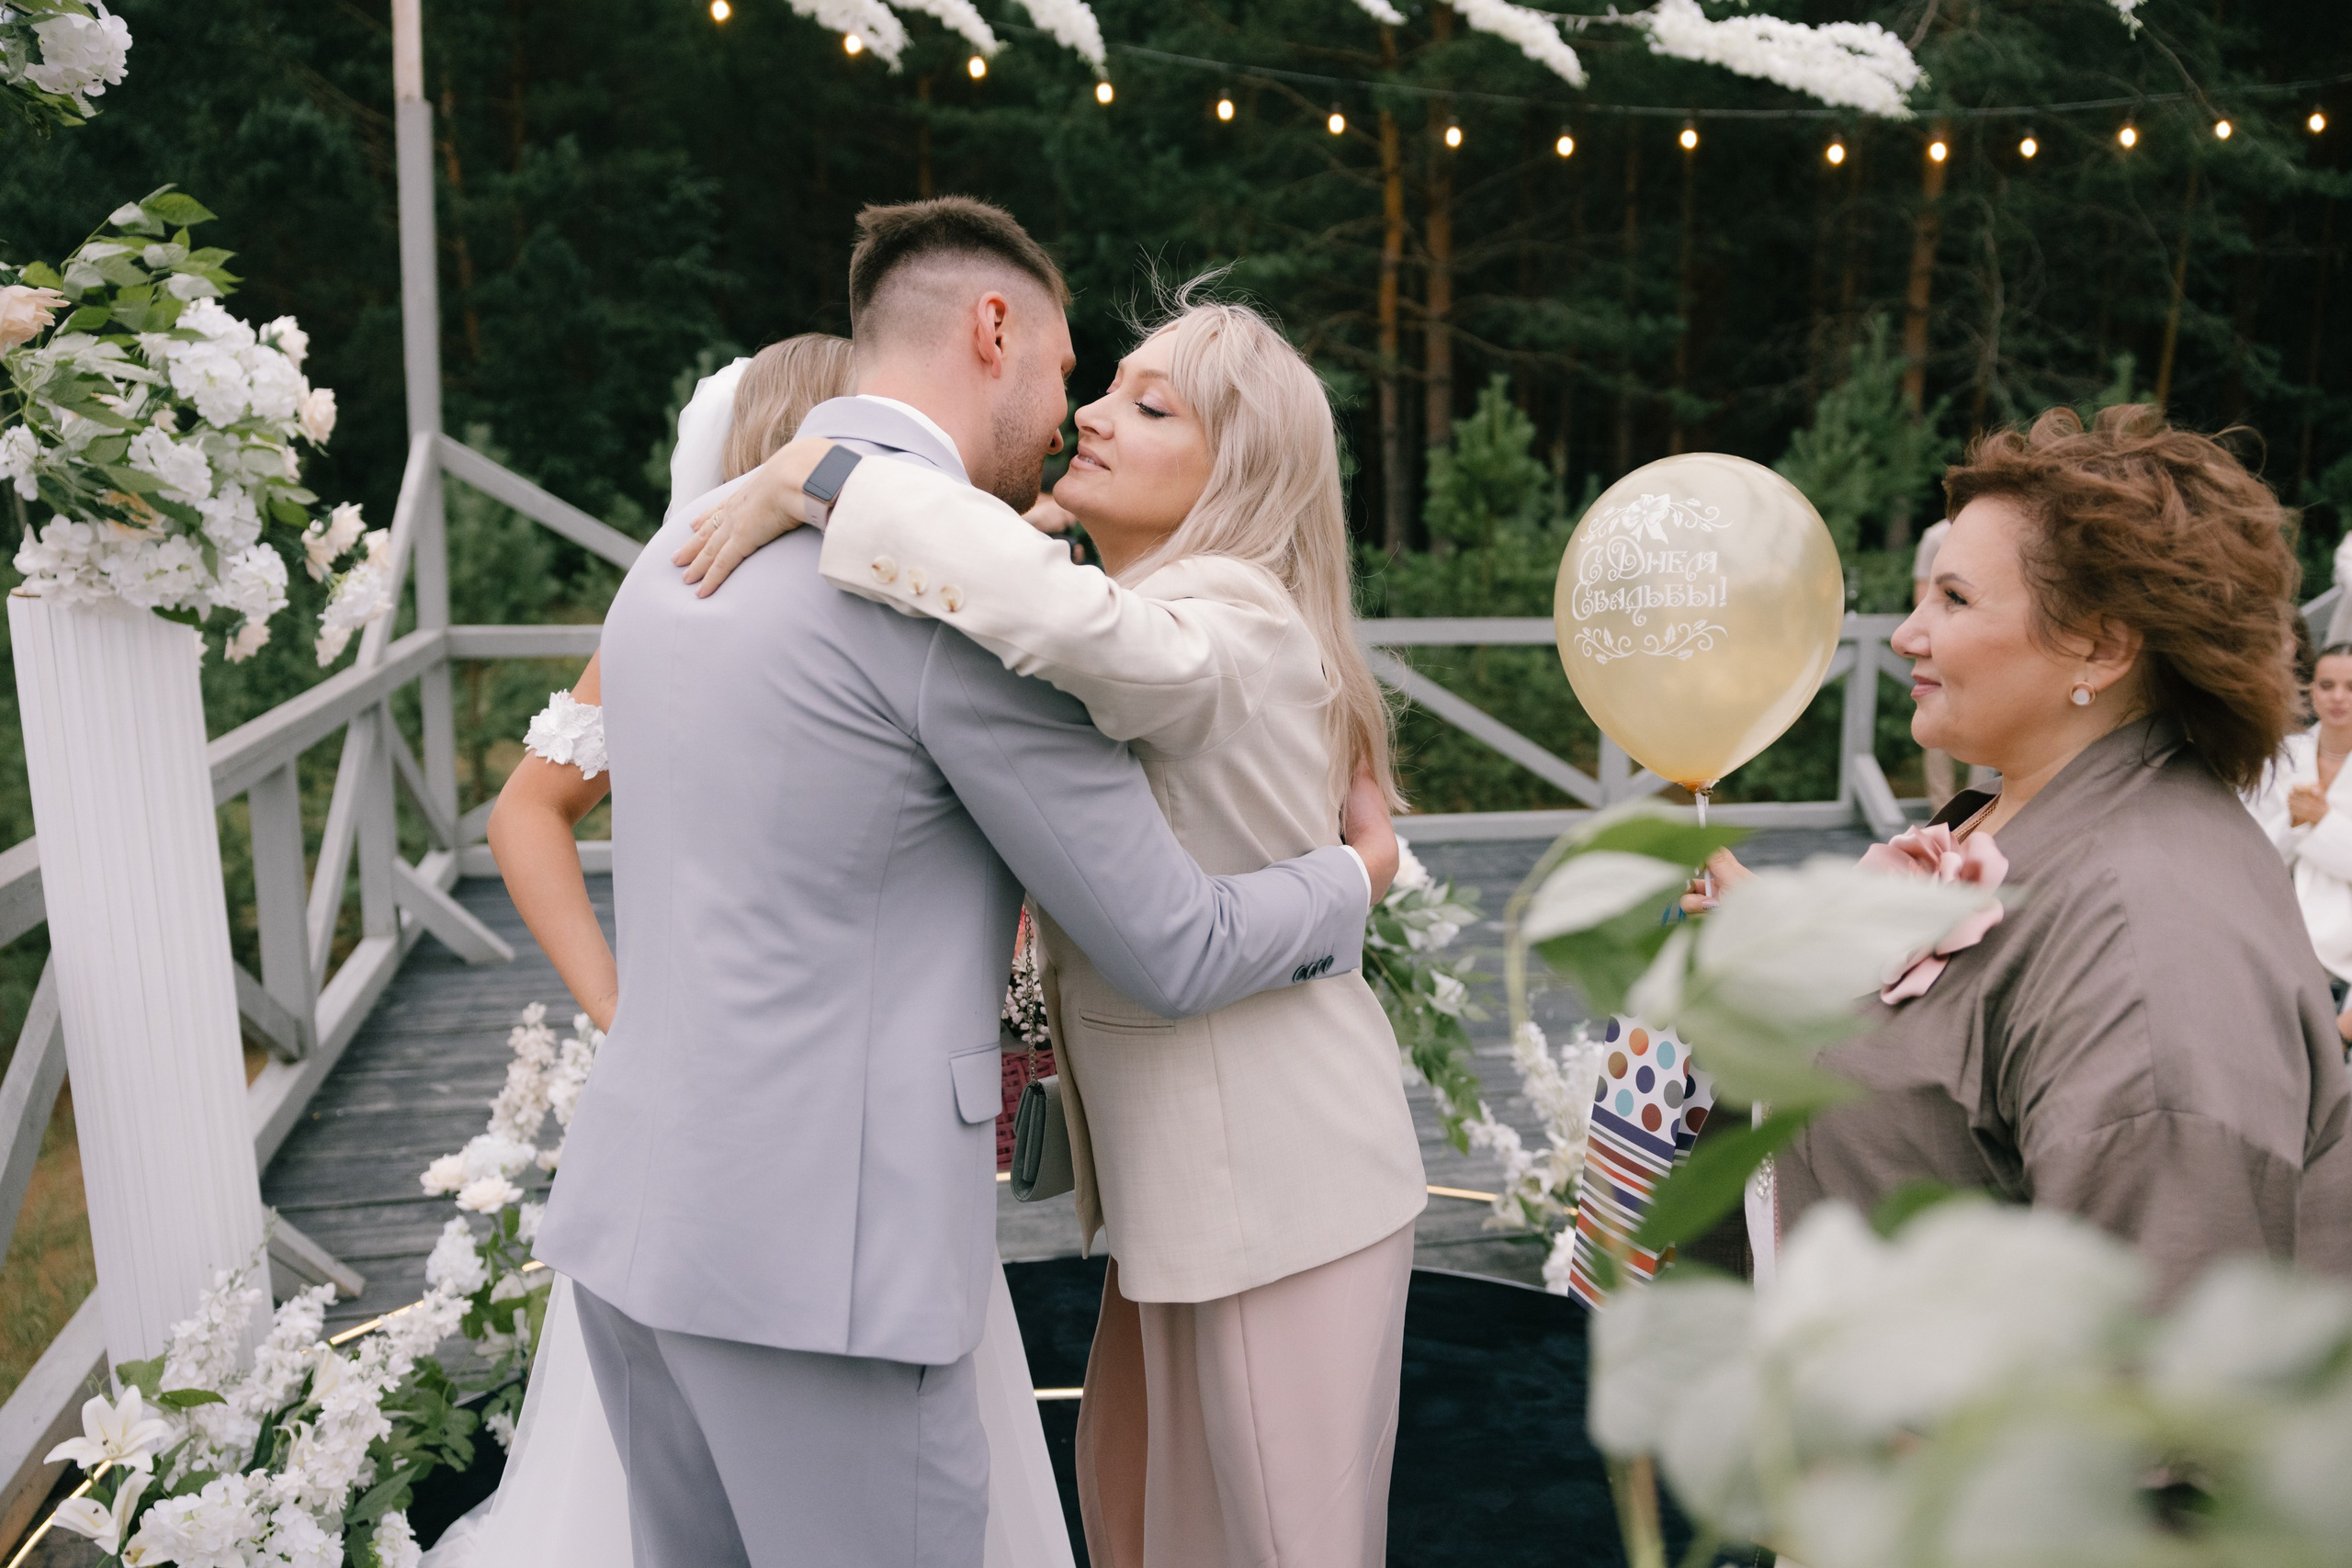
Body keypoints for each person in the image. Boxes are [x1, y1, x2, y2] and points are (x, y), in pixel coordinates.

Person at [528, 197, 1396, 1568]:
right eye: (1070, 372)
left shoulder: (673, 561)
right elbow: (1169, 943)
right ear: (994, 329)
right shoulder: (949, 610)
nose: (1072, 417)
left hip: (633, 1225)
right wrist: (1352, 877)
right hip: (823, 1271)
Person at [435, 331, 1074, 1568]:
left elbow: (529, 811)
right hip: (814, 1176)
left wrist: (633, 1007)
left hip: (722, 1161)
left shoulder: (680, 605)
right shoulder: (753, 598)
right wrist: (625, 1001)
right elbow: (530, 809)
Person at [1691, 405, 2350, 1298]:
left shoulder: (2148, 941)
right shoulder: (2010, 822)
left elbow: (2149, 1381)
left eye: (1954, 598)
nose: (1905, 634)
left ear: (2101, 644)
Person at [2246, 641, 2352, 1045]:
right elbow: (2256, 856)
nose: (2338, 697)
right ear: (2312, 690)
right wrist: (2295, 824)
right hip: (2279, 944)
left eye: (2350, 686)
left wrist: (2322, 823)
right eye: (2327, 685)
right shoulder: (2282, 757)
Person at [1911, 515, 1959, 809]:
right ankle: (1942, 808)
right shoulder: (1935, 536)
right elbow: (1921, 596)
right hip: (1940, 642)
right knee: (1937, 721)